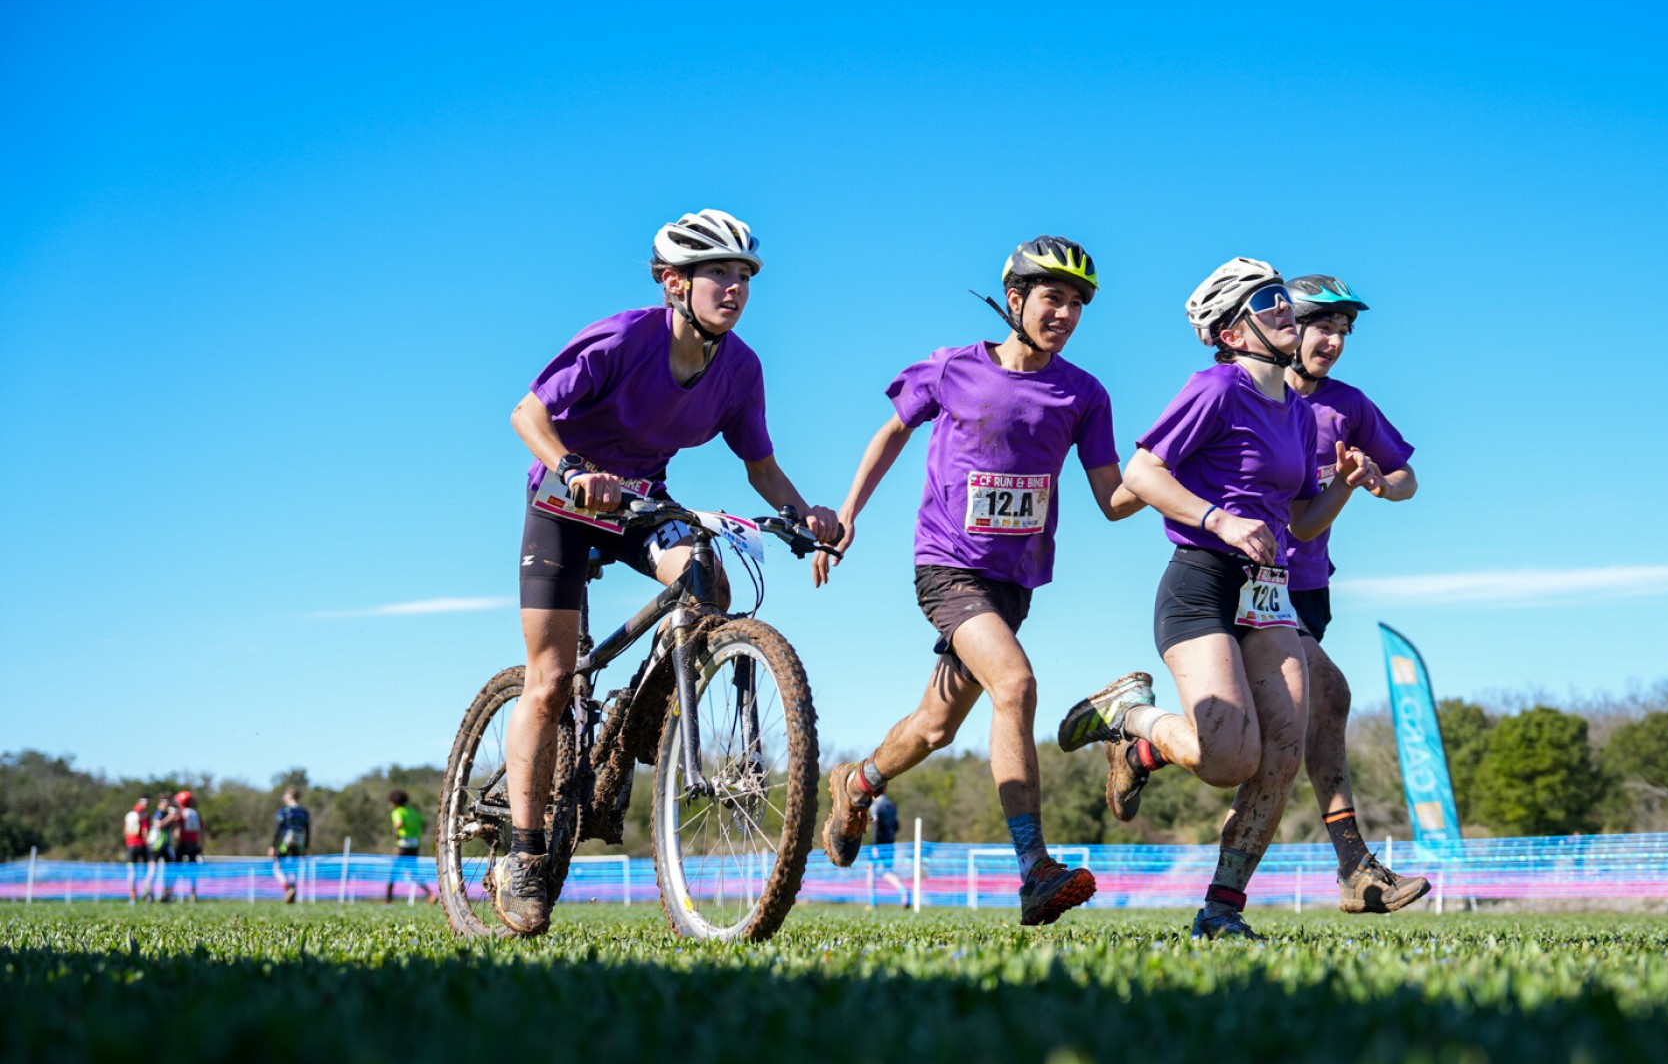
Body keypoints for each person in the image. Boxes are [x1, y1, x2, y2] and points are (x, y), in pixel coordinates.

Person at [496, 209, 841, 937]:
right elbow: (527, 413)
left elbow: (760, 465)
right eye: (719, 272)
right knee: (552, 681)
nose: (735, 287)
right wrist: (572, 468)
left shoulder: (740, 368)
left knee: (706, 580)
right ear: (673, 282)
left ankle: (633, 738)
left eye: (744, 275)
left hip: (639, 505)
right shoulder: (624, 339)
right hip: (564, 502)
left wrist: (802, 511)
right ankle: (523, 855)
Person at [814, 237, 1140, 925]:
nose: (1066, 314)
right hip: (947, 568)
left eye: (1078, 304)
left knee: (935, 727)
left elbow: (1113, 499)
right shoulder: (953, 368)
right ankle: (1034, 869)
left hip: (1012, 585)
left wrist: (1173, 470)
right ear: (1015, 300)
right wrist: (847, 514)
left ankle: (857, 783)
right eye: (1053, 298)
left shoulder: (1085, 394)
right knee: (1016, 685)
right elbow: (891, 435)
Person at [1058, 258, 1380, 939]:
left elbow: (1299, 522)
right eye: (1267, 303)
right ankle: (1132, 718)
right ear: (1232, 332)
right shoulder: (1213, 388)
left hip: (1269, 595)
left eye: (1281, 297)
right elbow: (1144, 473)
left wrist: (1346, 483)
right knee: (1228, 759)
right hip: (1201, 579)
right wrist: (1218, 519)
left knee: (1282, 751)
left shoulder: (1296, 410)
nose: (1285, 309)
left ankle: (1220, 911)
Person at [1279, 275, 1432, 915]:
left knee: (1265, 739)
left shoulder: (1348, 405)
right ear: (1286, 327)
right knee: (1329, 697)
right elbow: (1298, 519)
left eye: (1343, 332)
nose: (1334, 342)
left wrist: (1376, 481)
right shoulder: (1251, 397)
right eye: (1323, 327)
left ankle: (1140, 741)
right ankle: (1355, 867)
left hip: (1310, 588)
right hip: (1244, 582)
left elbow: (1408, 478)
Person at [387, 789, 433, 904]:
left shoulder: (398, 811)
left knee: (392, 872)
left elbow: (399, 823)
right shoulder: (412, 811)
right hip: (414, 845)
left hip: (402, 845)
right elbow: (424, 822)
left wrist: (395, 834)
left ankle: (388, 900)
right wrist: (421, 833)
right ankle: (430, 894)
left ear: (394, 802)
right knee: (413, 872)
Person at [271, 788, 311, 903]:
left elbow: (278, 829)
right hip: (300, 842)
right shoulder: (304, 812)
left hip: (286, 841)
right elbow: (307, 831)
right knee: (294, 867)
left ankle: (288, 887)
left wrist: (273, 845)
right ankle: (293, 888)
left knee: (277, 867)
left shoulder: (284, 811)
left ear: (289, 797)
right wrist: (306, 847)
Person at [172, 789, 204, 901]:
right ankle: (193, 893)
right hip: (194, 844)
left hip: (183, 844)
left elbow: (177, 831)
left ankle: (170, 892)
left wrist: (176, 839)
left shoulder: (181, 812)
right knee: (193, 870)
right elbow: (200, 831)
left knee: (175, 868)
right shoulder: (195, 814)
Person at [147, 794, 178, 902]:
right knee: (153, 870)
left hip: (166, 845)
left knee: (170, 870)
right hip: (155, 845)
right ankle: (149, 894)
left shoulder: (167, 814)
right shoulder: (158, 813)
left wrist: (175, 818)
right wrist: (170, 817)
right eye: (165, 802)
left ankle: (167, 895)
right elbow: (158, 825)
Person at [123, 798, 150, 900]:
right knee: (146, 870)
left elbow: (125, 831)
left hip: (130, 845)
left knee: (131, 871)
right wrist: (147, 844)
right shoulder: (143, 815)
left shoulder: (129, 815)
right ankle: (145, 892)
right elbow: (144, 831)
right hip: (141, 845)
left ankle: (132, 894)